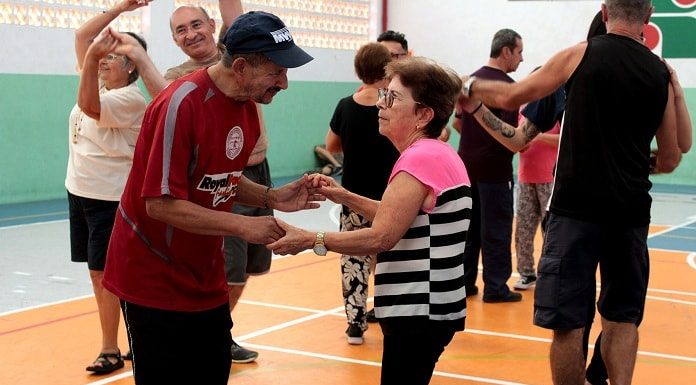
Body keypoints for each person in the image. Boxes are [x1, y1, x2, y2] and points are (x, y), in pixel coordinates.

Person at [457, 1, 684, 383]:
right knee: (623, 320)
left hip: (575, 213)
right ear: (648, 18)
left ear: (606, 11)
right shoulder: (659, 72)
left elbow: (513, 98)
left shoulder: (579, 56)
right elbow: (672, 156)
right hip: (629, 215)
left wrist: (466, 88)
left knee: (567, 324)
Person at [102, 11, 316, 385]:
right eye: (277, 71)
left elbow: (222, 177)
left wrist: (272, 196)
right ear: (243, 67)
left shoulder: (246, 106)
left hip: (204, 275)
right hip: (151, 277)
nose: (284, 83)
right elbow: (160, 203)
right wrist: (244, 225)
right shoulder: (180, 105)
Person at [269, 57, 471, 385]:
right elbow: (402, 216)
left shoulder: (419, 160)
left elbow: (381, 237)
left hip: (418, 308)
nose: (380, 103)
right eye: (383, 94)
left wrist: (310, 239)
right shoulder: (437, 153)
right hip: (432, 307)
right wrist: (344, 195)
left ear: (423, 115)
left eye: (392, 98)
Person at [112, 0, 264, 363]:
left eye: (197, 24)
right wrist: (136, 52)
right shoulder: (181, 87)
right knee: (232, 264)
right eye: (181, 30)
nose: (191, 33)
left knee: (244, 270)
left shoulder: (241, 81)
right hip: (167, 241)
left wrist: (272, 196)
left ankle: (217, 328)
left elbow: (237, 18)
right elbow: (162, 200)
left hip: (241, 176)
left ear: (213, 26)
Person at [67, 0, 149, 374]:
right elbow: (83, 35)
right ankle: (133, 340)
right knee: (98, 271)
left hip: (110, 198)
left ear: (132, 66)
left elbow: (88, 106)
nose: (102, 59)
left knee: (106, 273)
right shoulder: (96, 80)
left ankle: (110, 349)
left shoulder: (130, 99)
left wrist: (91, 61)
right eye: (103, 55)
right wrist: (122, 7)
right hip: (81, 191)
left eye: (113, 56)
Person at [325, 42, 399, 344]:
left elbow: (331, 145)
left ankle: (355, 323)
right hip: (391, 196)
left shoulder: (346, 104)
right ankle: (390, 312)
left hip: (354, 196)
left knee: (353, 257)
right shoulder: (392, 103)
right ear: (386, 69)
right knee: (391, 255)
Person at [453, 28, 524, 303]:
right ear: (506, 51)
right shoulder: (504, 88)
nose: (521, 59)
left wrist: (475, 141)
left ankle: (464, 283)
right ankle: (495, 287)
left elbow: (459, 121)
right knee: (496, 230)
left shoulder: (470, 81)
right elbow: (511, 133)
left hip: (466, 168)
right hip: (494, 171)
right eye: (519, 52)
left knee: (469, 230)